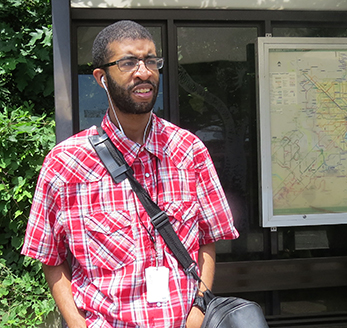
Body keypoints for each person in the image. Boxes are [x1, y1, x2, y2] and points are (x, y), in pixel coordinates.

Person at [22, 20, 239, 328]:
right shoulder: (65, 163)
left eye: (151, 60)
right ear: (102, 78)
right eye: (128, 62)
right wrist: (76, 323)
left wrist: (199, 310)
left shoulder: (189, 151)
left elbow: (207, 239)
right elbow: (51, 259)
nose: (144, 71)